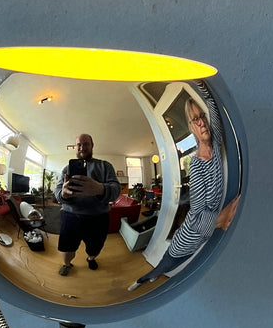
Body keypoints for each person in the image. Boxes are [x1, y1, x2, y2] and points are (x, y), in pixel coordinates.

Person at [128, 84, 239, 290]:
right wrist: (221, 219)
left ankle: (152, 275)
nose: (201, 122)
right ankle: (142, 279)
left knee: (172, 263)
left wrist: (203, 87)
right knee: (167, 262)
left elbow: (213, 109)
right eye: (195, 119)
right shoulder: (196, 165)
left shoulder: (216, 146)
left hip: (203, 231)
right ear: (191, 128)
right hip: (189, 236)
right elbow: (197, 214)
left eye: (202, 117)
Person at [54, 134, 120, 275]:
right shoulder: (67, 169)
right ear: (75, 147)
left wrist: (100, 189)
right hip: (70, 216)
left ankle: (90, 259)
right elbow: (58, 193)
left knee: (95, 247)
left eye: (86, 144)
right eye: (79, 144)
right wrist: (63, 194)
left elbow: (116, 190)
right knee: (67, 248)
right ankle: (67, 264)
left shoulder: (105, 166)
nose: (82, 147)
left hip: (98, 217)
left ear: (92, 145)